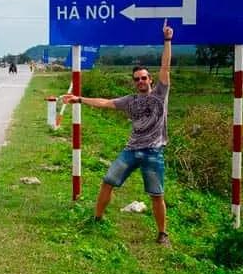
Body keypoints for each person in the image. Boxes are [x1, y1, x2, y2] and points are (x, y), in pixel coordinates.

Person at [62, 20, 173, 245]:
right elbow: (105, 102)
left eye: (144, 78)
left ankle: (162, 234)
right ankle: (96, 219)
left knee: (156, 195)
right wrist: (80, 99)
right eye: (137, 79)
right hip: (131, 150)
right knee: (107, 181)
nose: (141, 81)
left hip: (153, 153)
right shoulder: (129, 100)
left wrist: (168, 41)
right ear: (133, 83)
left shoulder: (160, 94)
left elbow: (165, 67)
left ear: (150, 79)